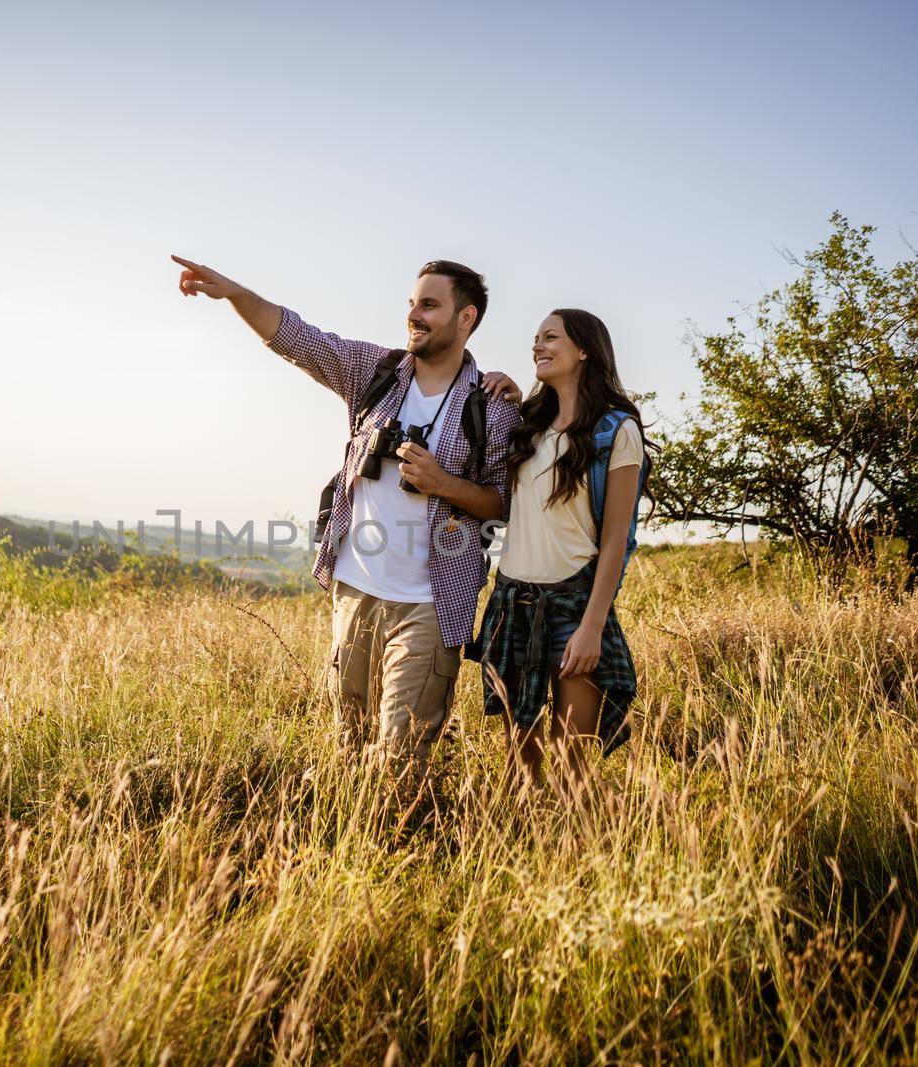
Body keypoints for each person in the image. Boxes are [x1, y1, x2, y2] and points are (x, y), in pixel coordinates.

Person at [172, 255, 520, 786]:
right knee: (349, 744)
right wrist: (235, 293)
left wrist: (442, 483)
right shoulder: (375, 373)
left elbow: (503, 503)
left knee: (401, 756)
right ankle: (347, 851)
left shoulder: (492, 406)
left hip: (430, 601)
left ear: (466, 318)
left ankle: (399, 851)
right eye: (412, 303)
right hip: (354, 590)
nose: (414, 315)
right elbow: (298, 338)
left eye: (430, 305)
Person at [473, 309, 650, 797]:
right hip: (513, 599)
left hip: (575, 604)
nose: (537, 346)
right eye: (535, 339)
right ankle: (530, 855)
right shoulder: (527, 423)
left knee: (571, 755)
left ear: (584, 350)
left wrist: (593, 627)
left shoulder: (615, 431)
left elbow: (617, 539)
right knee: (519, 751)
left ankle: (579, 856)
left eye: (550, 337)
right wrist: (507, 392)